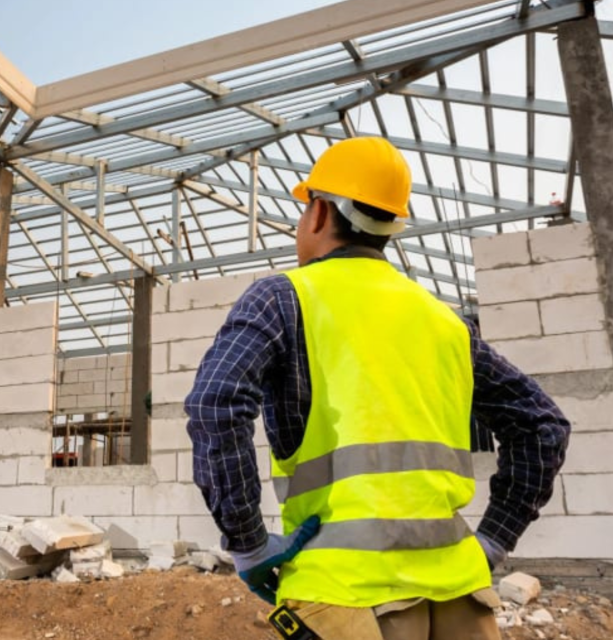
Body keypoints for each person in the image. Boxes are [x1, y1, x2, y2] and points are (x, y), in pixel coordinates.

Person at [185, 137, 570, 640]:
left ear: (320, 213)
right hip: (460, 599)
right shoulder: (446, 322)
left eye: (304, 209)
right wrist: (493, 540)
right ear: (389, 226)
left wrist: (249, 544)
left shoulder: (283, 298)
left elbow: (216, 402)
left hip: (345, 598)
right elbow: (543, 425)